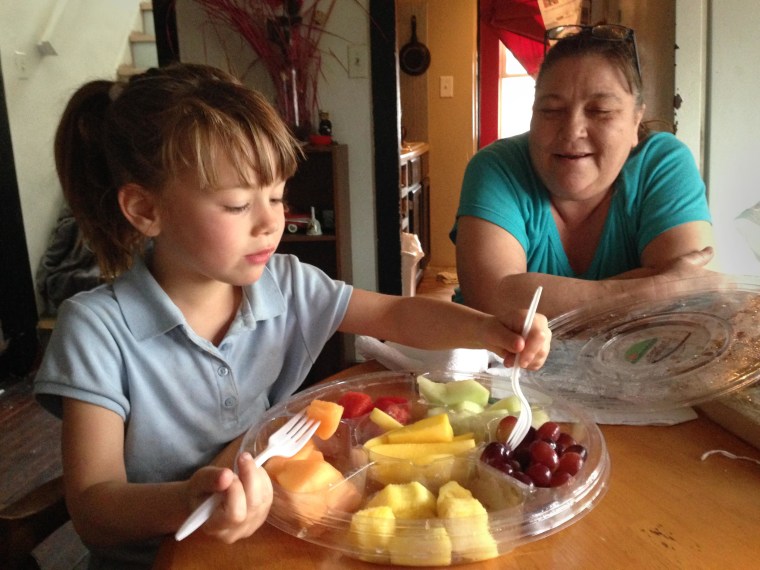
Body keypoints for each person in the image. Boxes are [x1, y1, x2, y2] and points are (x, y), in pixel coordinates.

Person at [32, 63, 551, 568]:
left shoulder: (285, 283)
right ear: (146, 210)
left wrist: (486, 328)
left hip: (269, 539)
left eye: (278, 196)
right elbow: (95, 510)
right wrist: (188, 501)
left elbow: (395, 315)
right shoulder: (96, 331)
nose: (271, 222)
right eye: (237, 205)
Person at [451, 24, 718, 319]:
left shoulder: (662, 163)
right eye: (551, 110)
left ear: (635, 121)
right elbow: (491, 297)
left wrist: (532, 296)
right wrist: (657, 289)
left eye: (601, 110)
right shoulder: (496, 167)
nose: (572, 130)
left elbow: (687, 304)